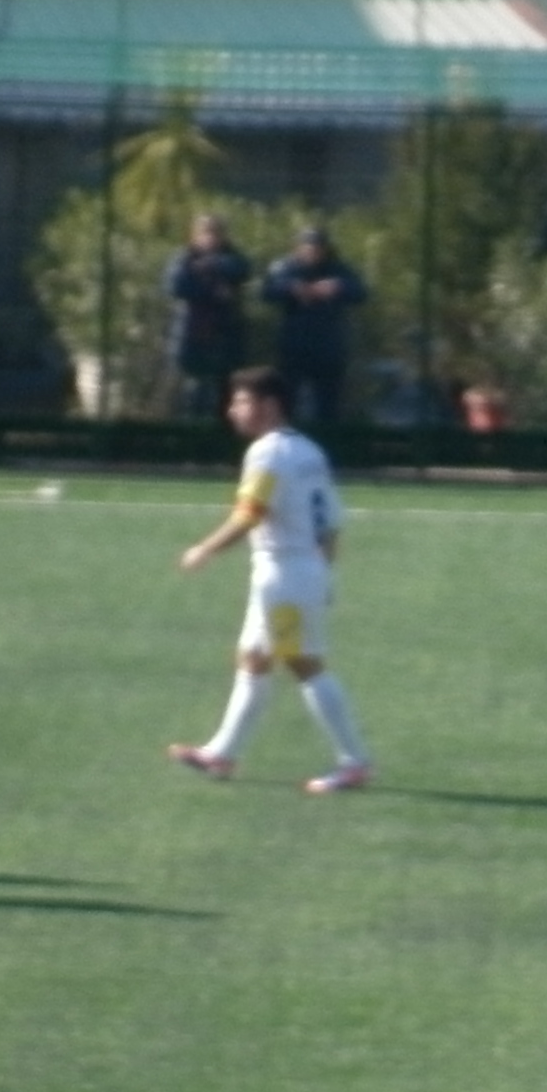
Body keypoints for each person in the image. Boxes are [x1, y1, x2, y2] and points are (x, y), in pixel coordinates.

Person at [166, 365, 373, 793]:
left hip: (283, 573)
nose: (232, 410)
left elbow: (250, 513)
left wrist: (204, 549)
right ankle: (221, 753)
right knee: (254, 658)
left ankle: (354, 762)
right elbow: (331, 523)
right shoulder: (310, 451)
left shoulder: (267, 453)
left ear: (270, 405)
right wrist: (322, 575)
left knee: (303, 664)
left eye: (241, 401)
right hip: (299, 570)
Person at [260, 223, 368, 430]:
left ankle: (326, 446)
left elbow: (360, 292)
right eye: (308, 247)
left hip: (327, 346)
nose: (313, 252)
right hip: (293, 345)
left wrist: (337, 287)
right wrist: (291, 289)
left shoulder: (338, 269)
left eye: (317, 248)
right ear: (298, 248)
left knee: (327, 402)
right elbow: (266, 291)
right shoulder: (285, 267)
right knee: (287, 398)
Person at [165, 213, 253, 421]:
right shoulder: (184, 258)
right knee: (193, 390)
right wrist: (212, 292)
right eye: (205, 234)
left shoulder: (233, 258)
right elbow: (176, 285)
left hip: (224, 335)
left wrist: (211, 265)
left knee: (225, 390)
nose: (210, 239)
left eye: (215, 234)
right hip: (192, 336)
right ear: (195, 235)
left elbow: (240, 269)